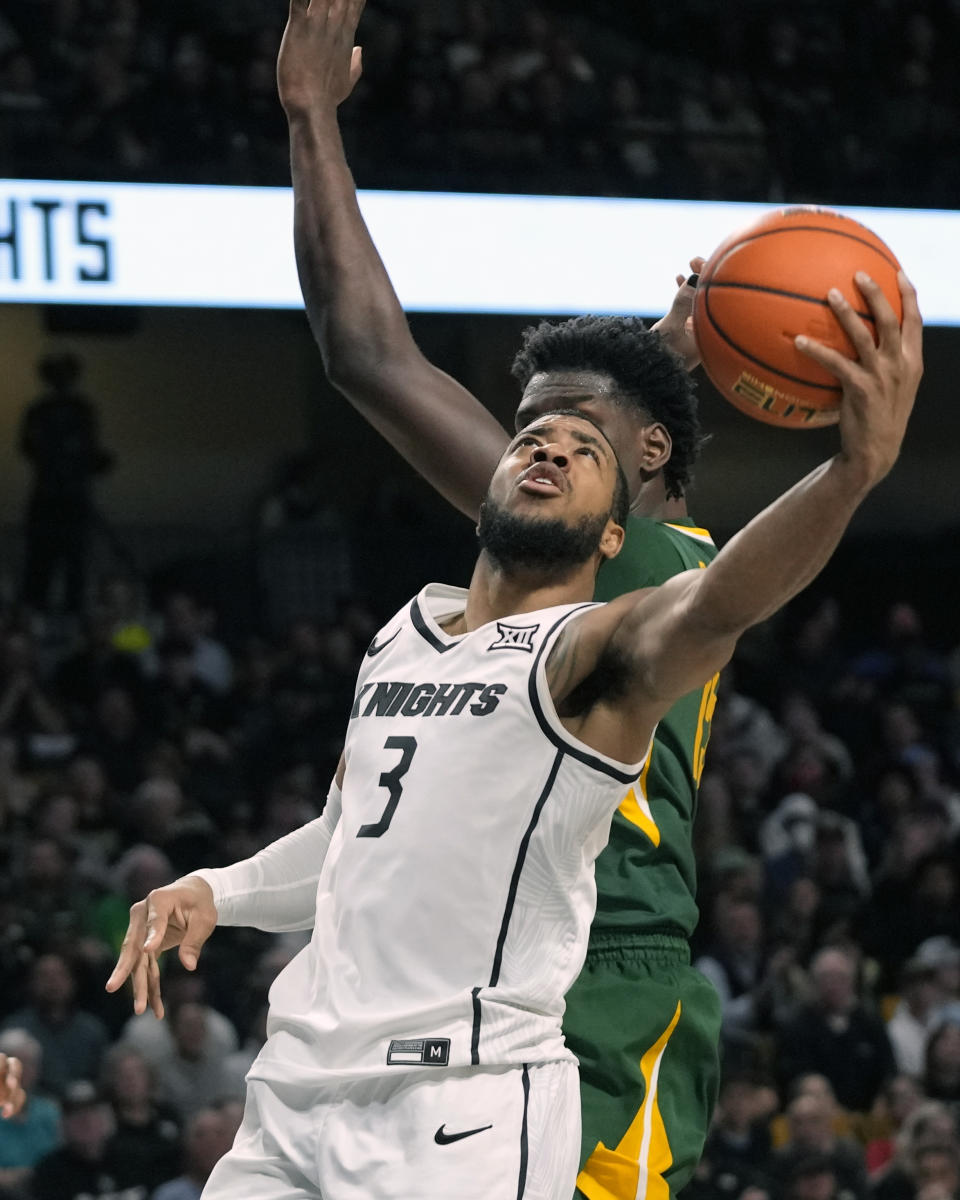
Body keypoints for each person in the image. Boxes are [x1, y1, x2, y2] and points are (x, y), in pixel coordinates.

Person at [107, 263, 922, 1198]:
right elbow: (352, 837)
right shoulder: (406, 636)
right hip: (302, 1082)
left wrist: (851, 470)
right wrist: (220, 887)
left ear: (619, 529)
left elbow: (720, 601)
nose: (549, 447)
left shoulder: (603, 637)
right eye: (529, 435)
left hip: (486, 1073)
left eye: (586, 445)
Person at [275, 2, 720, 1192]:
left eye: (577, 429)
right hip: (459, 973)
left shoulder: (651, 565)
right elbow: (367, 355)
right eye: (529, 427)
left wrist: (314, 116)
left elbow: (371, 355)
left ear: (639, 473)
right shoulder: (566, 538)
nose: (528, 447)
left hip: (601, 972)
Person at [18, 351, 114, 616]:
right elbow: (29, 447)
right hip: (49, 499)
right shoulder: (40, 411)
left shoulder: (82, 411)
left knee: (73, 567)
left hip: (71, 500)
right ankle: (34, 616)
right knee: (40, 565)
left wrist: (87, 461)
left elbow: (90, 451)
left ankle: (70, 616)